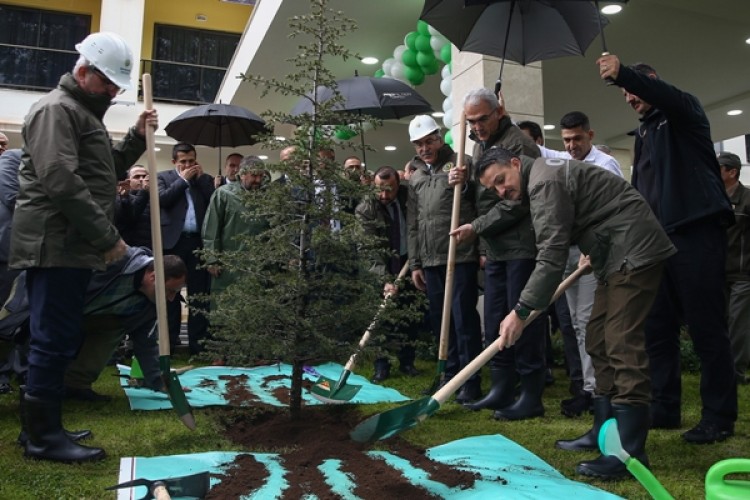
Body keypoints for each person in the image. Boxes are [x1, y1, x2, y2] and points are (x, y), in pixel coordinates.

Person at [452, 148, 675, 479]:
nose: (501, 191)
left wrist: (521, 310)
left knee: (620, 342)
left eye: (501, 180)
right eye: (493, 189)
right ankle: (604, 432)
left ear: (515, 163)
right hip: (611, 254)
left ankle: (630, 454)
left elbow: (552, 254)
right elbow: (522, 216)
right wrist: (478, 225)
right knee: (597, 340)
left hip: (632, 250)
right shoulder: (537, 180)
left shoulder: (543, 181)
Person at [8, 31, 157, 463]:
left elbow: (103, 169)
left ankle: (40, 428)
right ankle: (43, 439)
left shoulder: (82, 114)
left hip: (68, 244)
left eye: (116, 85)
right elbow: (61, 181)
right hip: (56, 243)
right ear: (83, 70)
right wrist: (108, 238)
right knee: (52, 338)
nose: (113, 91)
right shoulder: (57, 110)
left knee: (57, 335)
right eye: (107, 82)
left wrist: (135, 136)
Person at [599, 54, 738, 444]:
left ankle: (719, 416)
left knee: (706, 328)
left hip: (696, 234)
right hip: (656, 244)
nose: (629, 98)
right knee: (657, 329)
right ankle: (664, 406)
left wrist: (623, 74)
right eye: (625, 93)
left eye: (634, 89)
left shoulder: (684, 112)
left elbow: (668, 97)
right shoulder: (643, 134)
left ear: (652, 81)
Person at [461, 88, 547, 420]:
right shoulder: (479, 144)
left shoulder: (519, 145)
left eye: (483, 119)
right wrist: (464, 181)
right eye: (471, 121)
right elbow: (483, 193)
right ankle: (501, 387)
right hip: (496, 250)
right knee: (495, 318)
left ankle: (530, 394)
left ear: (499, 111)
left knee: (522, 319)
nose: (478, 126)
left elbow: (516, 201)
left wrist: (478, 227)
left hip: (522, 246)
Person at [539, 111, 624, 417]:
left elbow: (617, 207)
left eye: (577, 138)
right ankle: (589, 388)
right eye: (566, 140)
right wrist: (503, 115)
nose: (571, 145)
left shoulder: (605, 164)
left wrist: (597, 247)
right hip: (569, 250)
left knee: (589, 321)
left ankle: (598, 391)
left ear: (590, 135)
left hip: (593, 253)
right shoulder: (563, 161)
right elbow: (536, 150)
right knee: (575, 323)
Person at [406, 114, 482, 403]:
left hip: (458, 255)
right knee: (441, 321)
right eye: (418, 144)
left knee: (464, 319)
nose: (424, 148)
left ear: (439, 137)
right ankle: (448, 376)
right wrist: (415, 264)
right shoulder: (416, 177)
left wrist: (465, 180)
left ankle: (470, 379)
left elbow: (478, 203)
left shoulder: (461, 164)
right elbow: (413, 223)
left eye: (429, 141)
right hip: (430, 259)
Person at [63, 248, 186, 400]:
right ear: (154, 277)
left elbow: (146, 344)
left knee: (114, 329)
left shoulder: (151, 304)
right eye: (170, 291)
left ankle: (76, 385)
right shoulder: (116, 260)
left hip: (99, 318)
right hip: (64, 309)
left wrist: (159, 381)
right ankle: (38, 383)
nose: (171, 298)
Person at [355, 166, 420, 382]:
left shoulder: (409, 197)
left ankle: (407, 362)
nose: (384, 195)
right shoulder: (366, 208)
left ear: (398, 185)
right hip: (380, 265)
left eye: (389, 190)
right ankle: (381, 366)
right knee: (380, 319)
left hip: (407, 261)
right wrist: (384, 280)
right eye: (380, 190)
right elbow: (367, 250)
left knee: (409, 316)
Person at [158, 142, 214, 355]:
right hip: (173, 244)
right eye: (183, 162)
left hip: (198, 244)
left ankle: (198, 345)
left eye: (192, 161)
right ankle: (169, 344)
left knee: (198, 295)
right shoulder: (164, 178)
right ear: (174, 162)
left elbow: (213, 202)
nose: (189, 165)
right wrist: (183, 180)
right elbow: (164, 199)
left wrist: (200, 181)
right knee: (170, 294)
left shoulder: (204, 179)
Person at [203, 155, 270, 298]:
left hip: (261, 264)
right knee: (229, 306)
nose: (258, 180)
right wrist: (212, 259)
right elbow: (211, 228)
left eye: (261, 176)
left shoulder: (269, 197)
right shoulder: (224, 194)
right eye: (254, 176)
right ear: (243, 174)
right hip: (230, 263)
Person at [717, 152, 750, 385]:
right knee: (721, 322)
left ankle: (736, 374)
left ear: (732, 172)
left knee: (738, 325)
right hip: (718, 272)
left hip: (743, 273)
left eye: (718, 168)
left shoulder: (747, 199)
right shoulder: (713, 197)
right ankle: (722, 369)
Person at [0, 149, 26, 394]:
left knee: (16, 315)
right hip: (6, 249)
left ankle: (13, 371)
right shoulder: (11, 159)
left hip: (24, 252)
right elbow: (13, 199)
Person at [115, 164, 152, 248]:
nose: (142, 179)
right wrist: (144, 191)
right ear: (128, 181)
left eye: (144, 176)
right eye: (137, 177)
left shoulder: (154, 199)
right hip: (129, 248)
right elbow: (131, 216)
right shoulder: (121, 199)